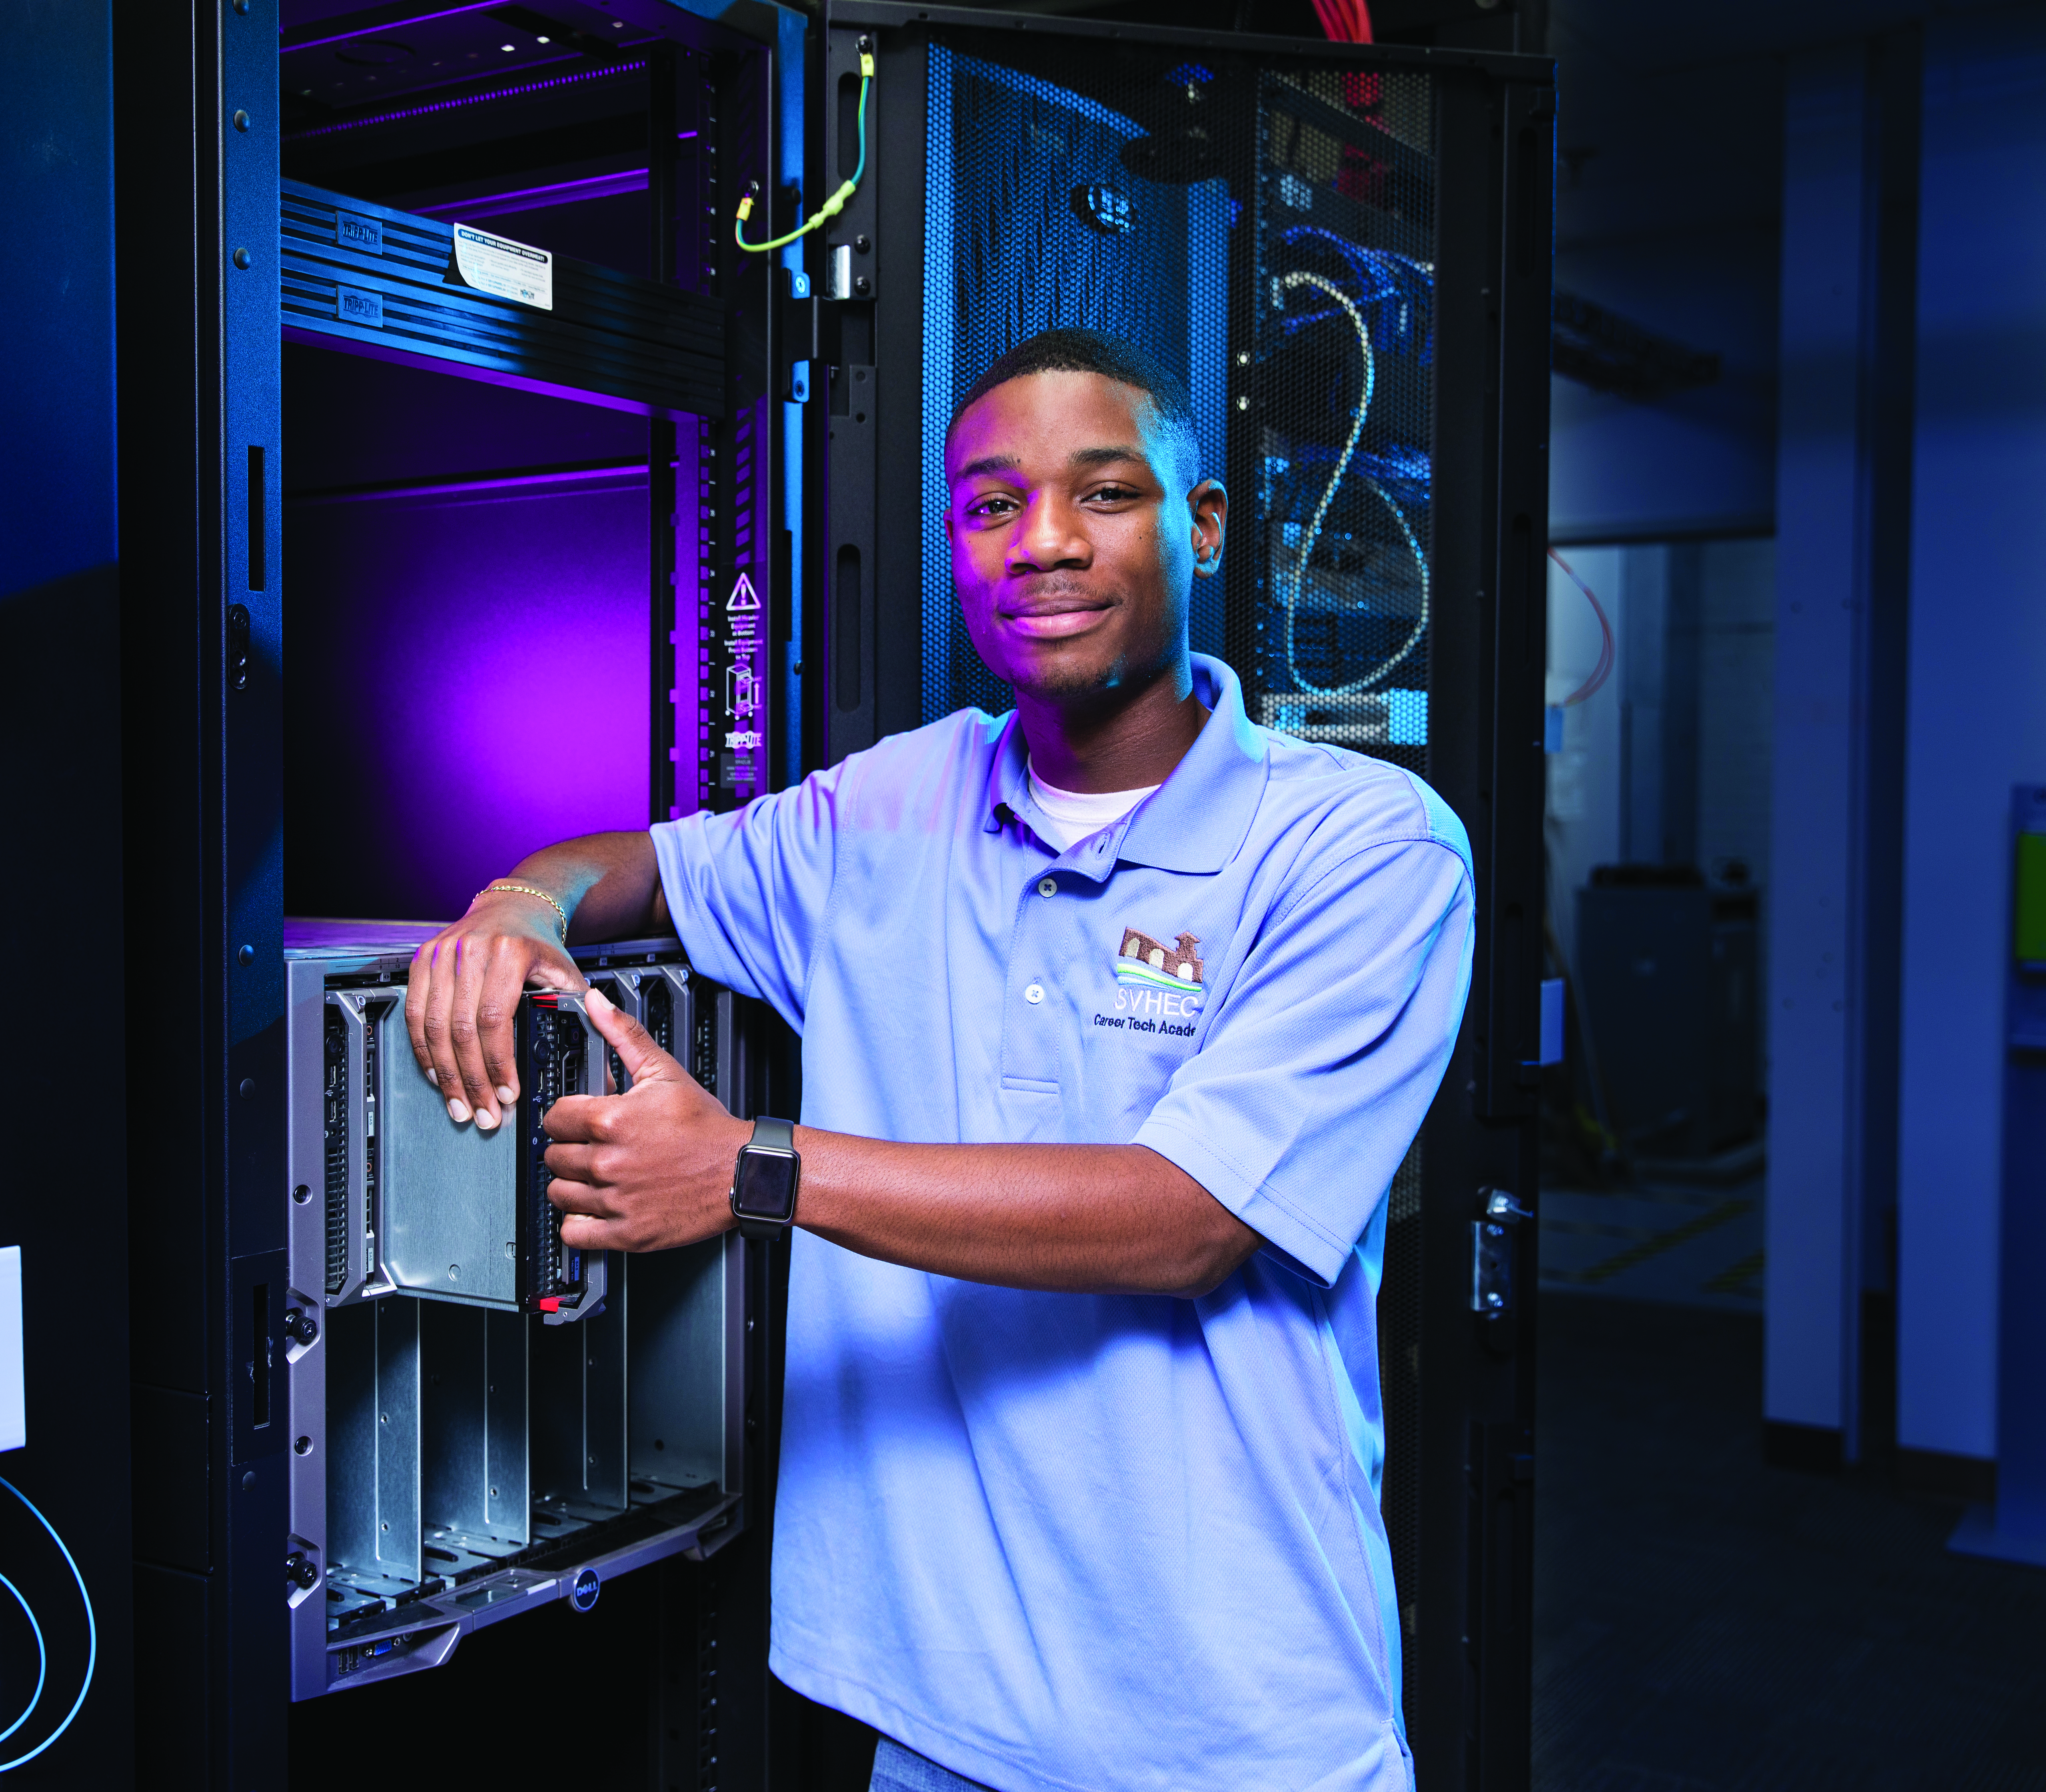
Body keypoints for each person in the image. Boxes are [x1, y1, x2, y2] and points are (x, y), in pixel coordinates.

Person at [402, 328, 1470, 1792]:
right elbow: (635, 866)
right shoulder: (890, 807)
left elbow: (1191, 1222)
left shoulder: (1360, 846)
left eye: (1104, 496)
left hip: (1227, 1716)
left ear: (1205, 525)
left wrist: (746, 1169)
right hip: (930, 1712)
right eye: (989, 506)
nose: (1043, 546)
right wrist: (516, 910)